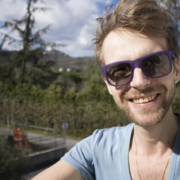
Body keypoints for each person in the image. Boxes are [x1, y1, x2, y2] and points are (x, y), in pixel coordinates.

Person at [32, 0, 180, 179]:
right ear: (108, 84)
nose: (140, 82)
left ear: (177, 70)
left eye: (155, 62)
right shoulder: (95, 149)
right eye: (120, 71)